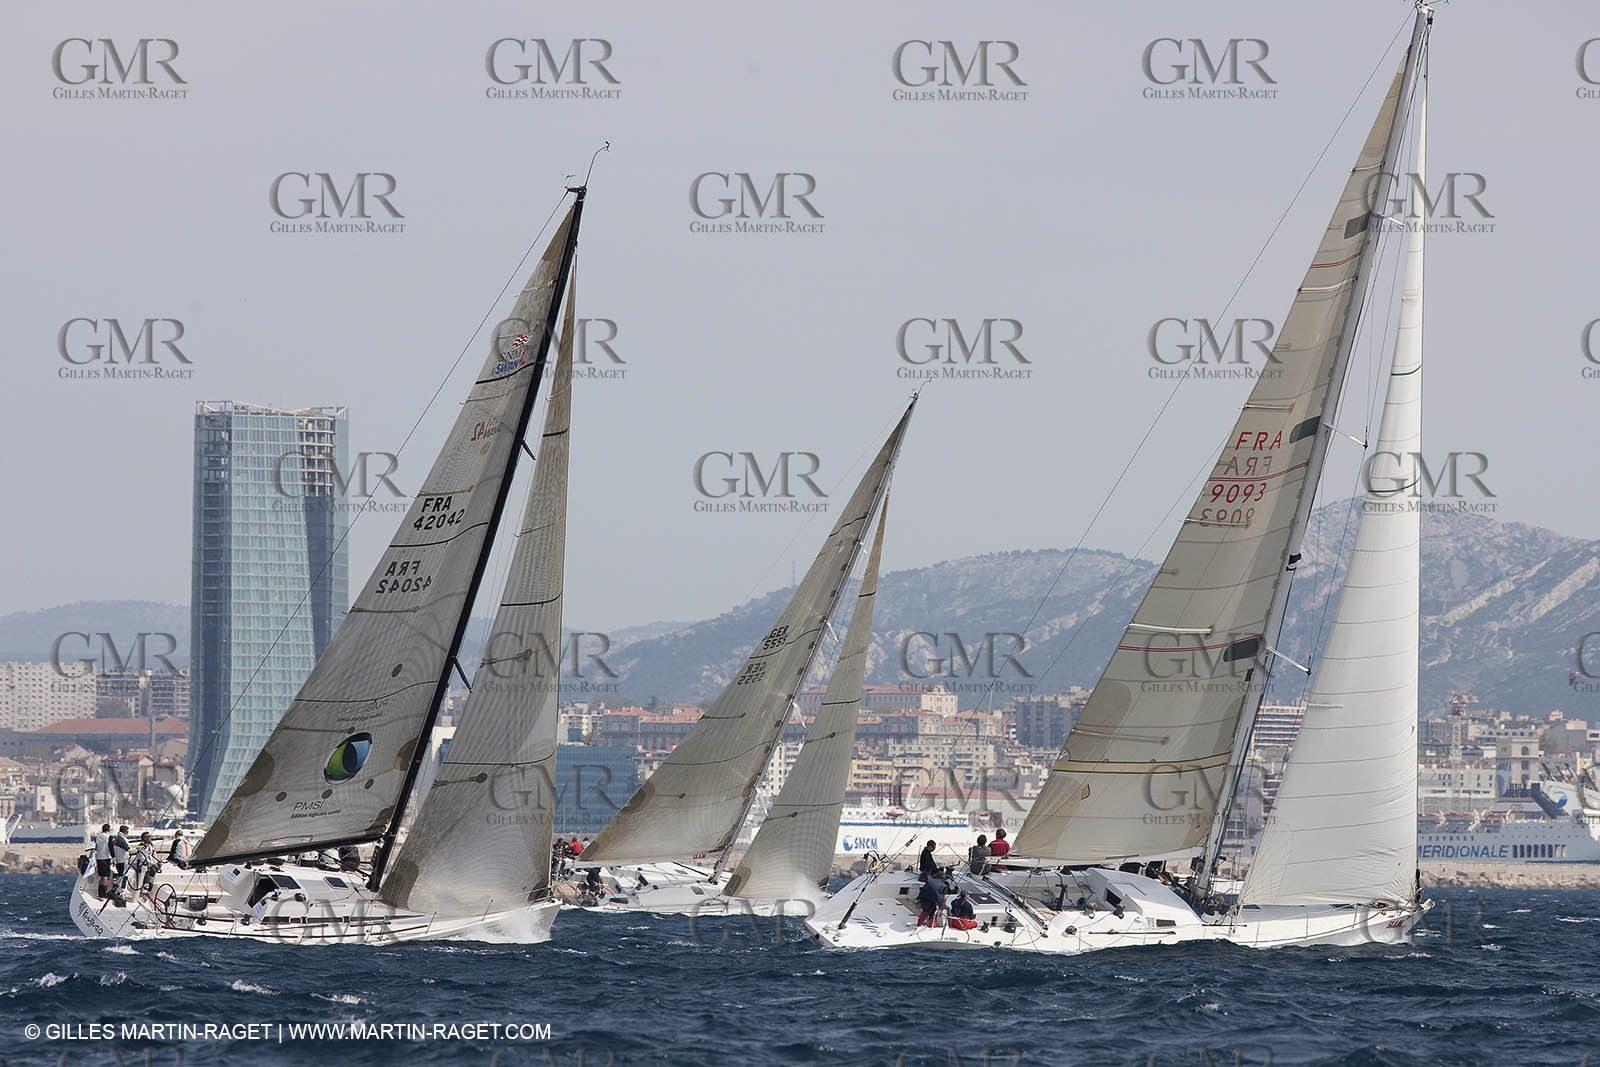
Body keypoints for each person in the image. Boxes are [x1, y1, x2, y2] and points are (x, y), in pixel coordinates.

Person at [92, 823, 113, 899]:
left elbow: (96, 846)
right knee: (105, 876)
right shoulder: (109, 837)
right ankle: (103, 894)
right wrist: (114, 857)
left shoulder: (98, 836)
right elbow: (111, 847)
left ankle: (100, 892)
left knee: (101, 876)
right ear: (108, 830)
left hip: (99, 858)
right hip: (106, 858)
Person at [111, 826, 131, 890]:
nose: (128, 833)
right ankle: (118, 889)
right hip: (121, 860)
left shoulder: (119, 838)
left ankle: (119, 889)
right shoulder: (121, 839)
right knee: (121, 875)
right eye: (127, 831)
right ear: (125, 831)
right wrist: (137, 850)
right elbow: (127, 848)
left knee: (121, 874)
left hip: (121, 859)